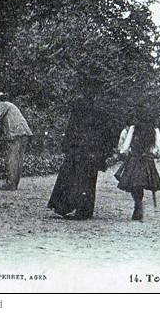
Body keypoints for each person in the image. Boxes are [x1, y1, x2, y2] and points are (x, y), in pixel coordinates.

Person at [47, 81, 114, 220]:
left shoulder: (79, 107)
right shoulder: (102, 110)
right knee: (88, 179)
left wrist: (66, 146)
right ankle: (84, 209)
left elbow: (71, 129)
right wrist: (104, 153)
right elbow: (107, 133)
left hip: (79, 150)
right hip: (91, 151)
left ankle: (68, 207)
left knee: (73, 177)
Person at [114, 111, 160, 222]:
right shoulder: (154, 129)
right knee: (142, 182)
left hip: (134, 159)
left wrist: (123, 152)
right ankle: (138, 205)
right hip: (147, 160)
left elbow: (126, 146)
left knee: (134, 183)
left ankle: (138, 203)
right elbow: (159, 149)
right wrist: (154, 154)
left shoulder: (134, 128)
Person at [0, 92, 33, 190]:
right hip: (24, 133)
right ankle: (14, 184)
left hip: (16, 133)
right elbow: (2, 126)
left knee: (11, 159)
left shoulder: (4, 105)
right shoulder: (10, 107)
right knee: (18, 160)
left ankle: (11, 184)